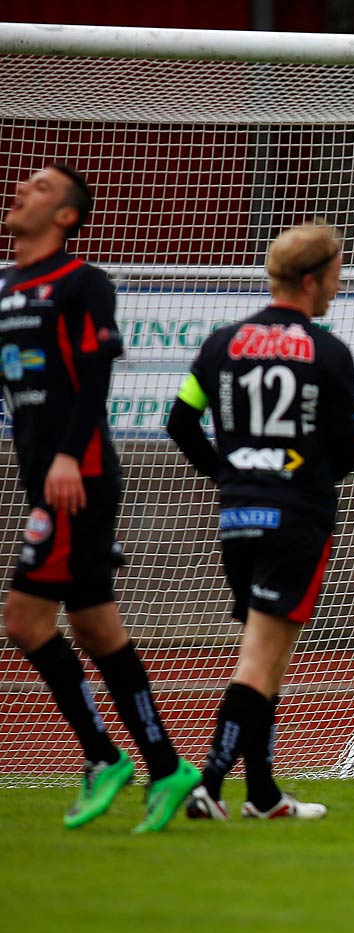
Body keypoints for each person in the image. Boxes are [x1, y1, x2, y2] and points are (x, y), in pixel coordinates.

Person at [1, 162, 199, 831]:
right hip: (46, 473)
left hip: (75, 478)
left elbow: (93, 379)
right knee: (94, 628)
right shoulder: (5, 286)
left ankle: (102, 757)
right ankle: (167, 767)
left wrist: (63, 456)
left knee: (26, 622)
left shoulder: (83, 283)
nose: (23, 188)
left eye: (42, 187)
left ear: (65, 217)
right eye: (24, 182)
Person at [164, 222, 354, 821]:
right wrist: (302, 476)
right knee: (260, 657)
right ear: (310, 279)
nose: (336, 287)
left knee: (269, 655)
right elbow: (350, 447)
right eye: (333, 276)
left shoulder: (219, 345)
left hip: (238, 514)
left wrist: (229, 475)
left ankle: (263, 795)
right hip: (296, 516)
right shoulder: (328, 352)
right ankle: (209, 784)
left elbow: (180, 420)